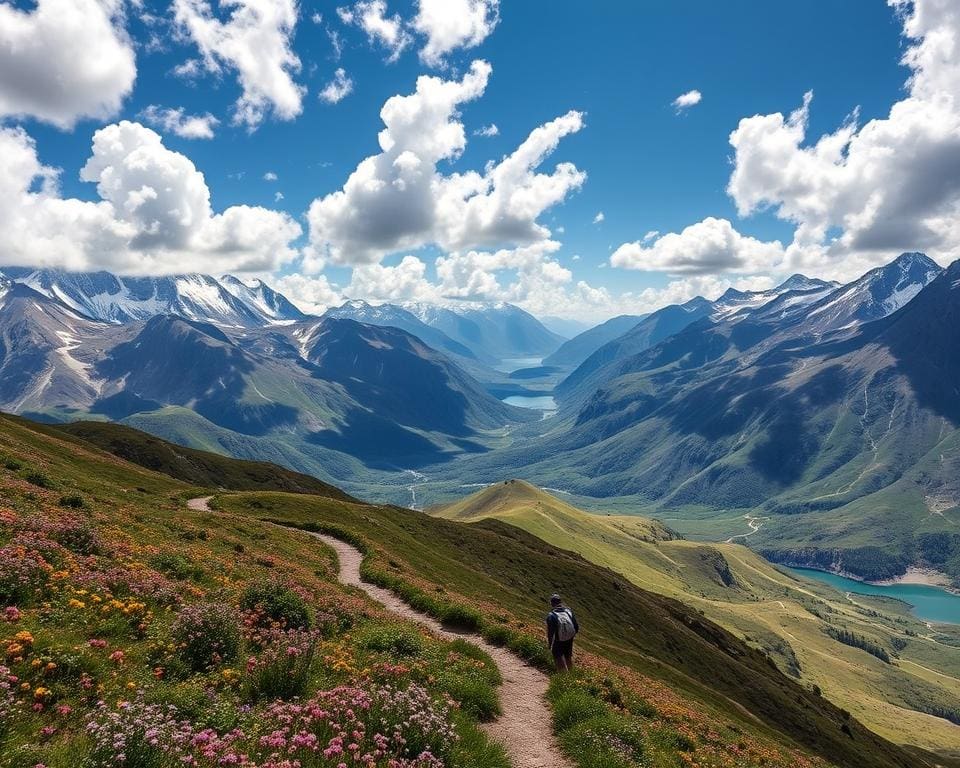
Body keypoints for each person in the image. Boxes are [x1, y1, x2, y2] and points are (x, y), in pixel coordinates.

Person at [545, 593, 579, 671]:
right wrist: (571, 637)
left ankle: (562, 675)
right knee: (568, 656)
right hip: (570, 638)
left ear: (551, 603)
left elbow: (550, 633)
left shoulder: (551, 615)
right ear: (560, 602)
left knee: (557, 655)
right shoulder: (568, 611)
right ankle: (571, 674)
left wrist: (550, 644)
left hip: (559, 639)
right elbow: (576, 627)